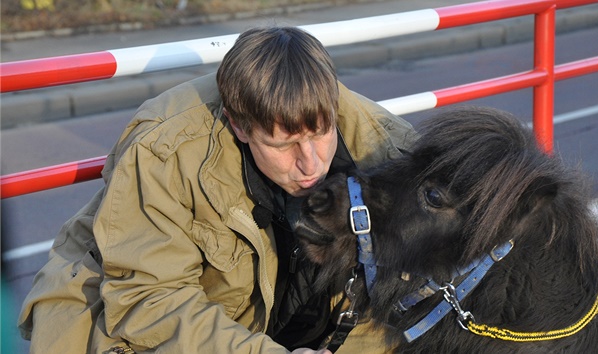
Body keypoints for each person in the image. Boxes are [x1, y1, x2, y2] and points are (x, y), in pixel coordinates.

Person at [18, 26, 419, 353]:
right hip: (114, 318)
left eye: (322, 133)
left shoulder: (388, 150)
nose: (311, 162)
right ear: (239, 125)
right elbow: (147, 298)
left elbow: (390, 296)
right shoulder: (166, 150)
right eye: (283, 146)